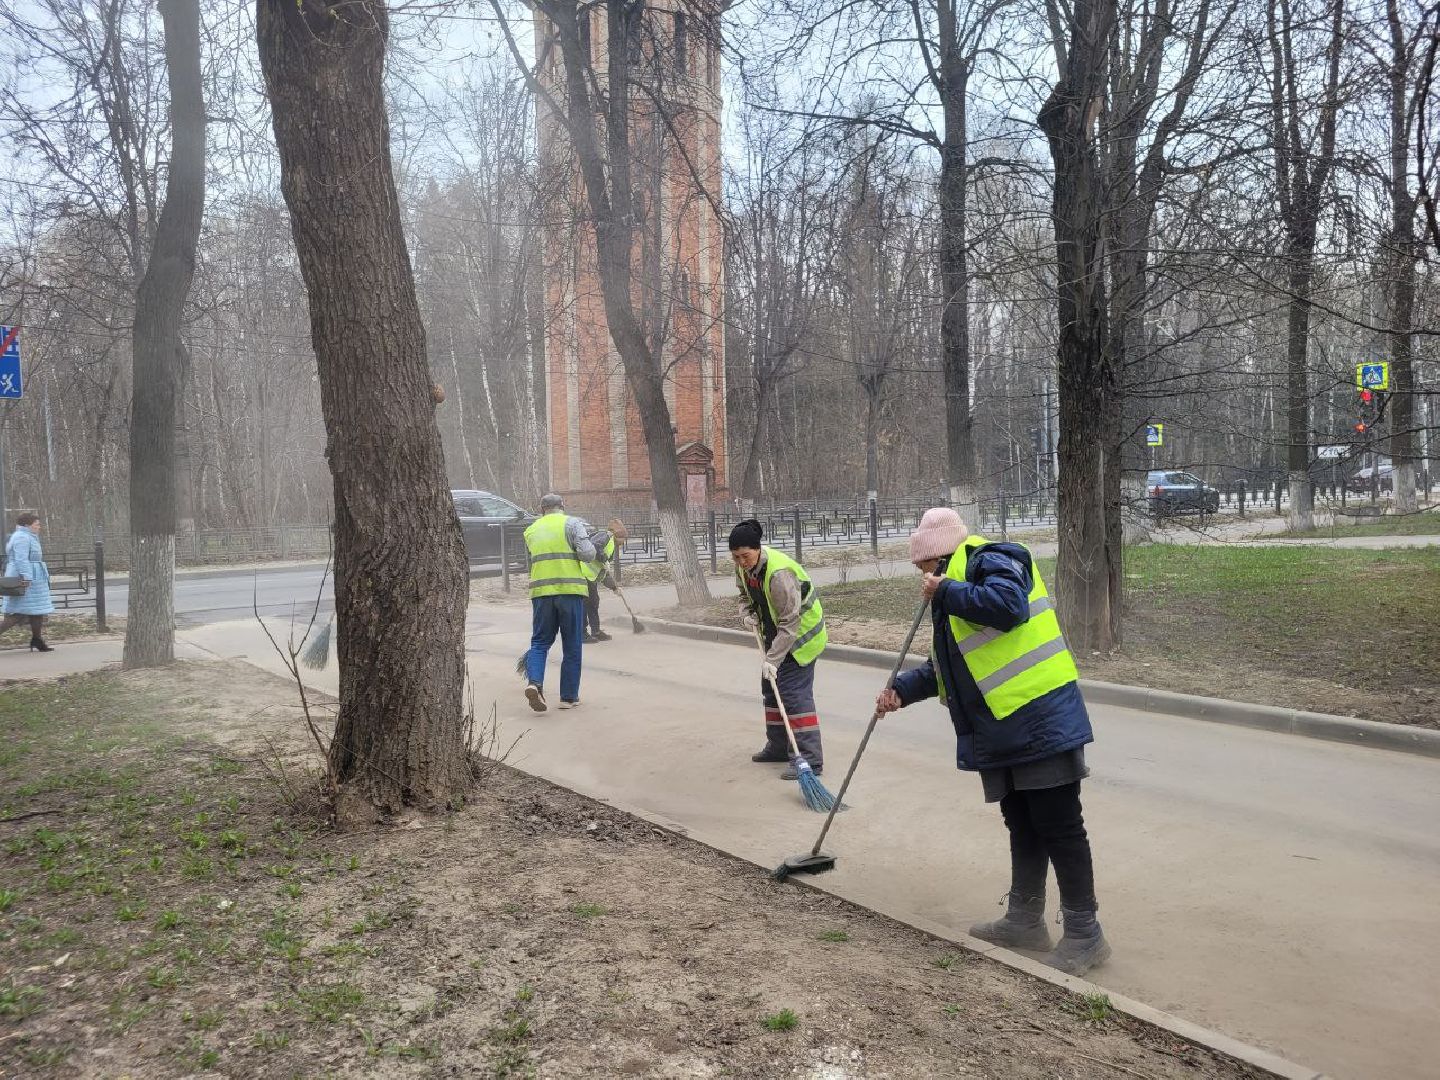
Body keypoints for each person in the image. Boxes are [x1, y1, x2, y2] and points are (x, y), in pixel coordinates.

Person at [874, 507, 1109, 976]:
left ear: (939, 557)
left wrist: (946, 590)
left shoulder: (995, 558)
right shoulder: (953, 590)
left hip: (1040, 721)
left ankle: (1086, 934)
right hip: (1003, 731)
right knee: (1022, 823)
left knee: (1059, 827)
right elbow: (949, 669)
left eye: (923, 568)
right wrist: (901, 688)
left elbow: (1007, 607)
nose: (921, 577)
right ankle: (1024, 919)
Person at [729, 518, 827, 779]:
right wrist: (746, 612)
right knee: (770, 689)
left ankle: (809, 760)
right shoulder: (743, 568)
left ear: (757, 549)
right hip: (774, 636)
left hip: (801, 639)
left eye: (746, 556)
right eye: (736, 557)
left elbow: (790, 622)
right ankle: (778, 747)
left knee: (794, 696)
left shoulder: (778, 574)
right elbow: (743, 595)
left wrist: (773, 659)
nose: (741, 562)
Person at [522, 493, 595, 712]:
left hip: (541, 592)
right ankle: (568, 697)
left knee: (539, 642)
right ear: (562, 506)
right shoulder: (572, 524)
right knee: (572, 644)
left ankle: (534, 683)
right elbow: (588, 554)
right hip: (569, 591)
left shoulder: (531, 529)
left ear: (542, 509)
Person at [3, 513, 55, 652]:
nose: (39, 526)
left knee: (37, 611)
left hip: (35, 578)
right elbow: (21, 559)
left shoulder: (29, 536)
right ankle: (37, 640)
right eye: (36, 524)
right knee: (18, 613)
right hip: (25, 579)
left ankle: (37, 640)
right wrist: (27, 577)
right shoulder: (21, 537)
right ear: (27, 525)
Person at [581, 518, 628, 644]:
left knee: (594, 601)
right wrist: (603, 558)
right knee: (585, 604)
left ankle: (596, 631)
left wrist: (614, 588)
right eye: (623, 538)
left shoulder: (611, 545)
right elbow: (594, 546)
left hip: (591, 577)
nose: (623, 542)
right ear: (618, 534)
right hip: (583, 574)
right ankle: (581, 633)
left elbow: (604, 573)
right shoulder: (605, 535)